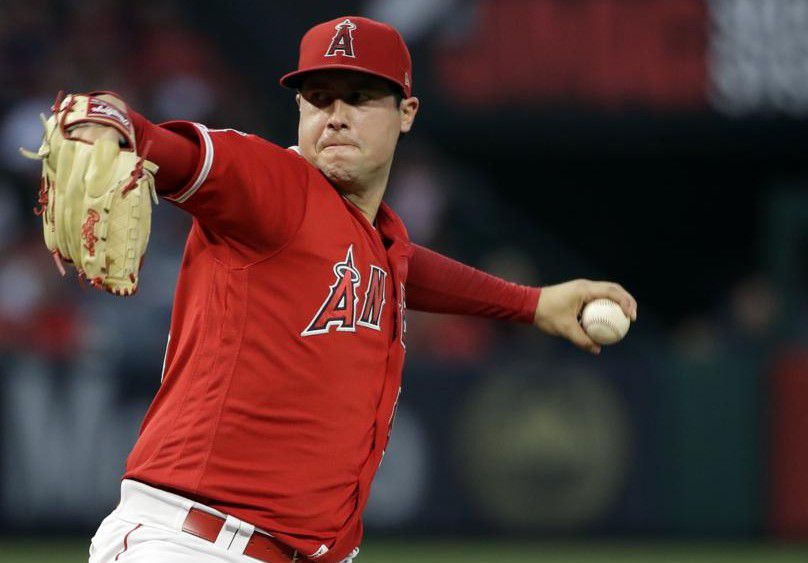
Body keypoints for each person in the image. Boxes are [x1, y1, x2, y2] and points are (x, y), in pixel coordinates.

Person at [77, 15, 637, 563]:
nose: (337, 117)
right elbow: (183, 155)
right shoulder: (274, 187)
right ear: (299, 110)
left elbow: (407, 268)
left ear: (407, 113)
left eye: (360, 97)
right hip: (192, 544)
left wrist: (532, 303)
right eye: (320, 98)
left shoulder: (372, 239)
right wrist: (116, 125)